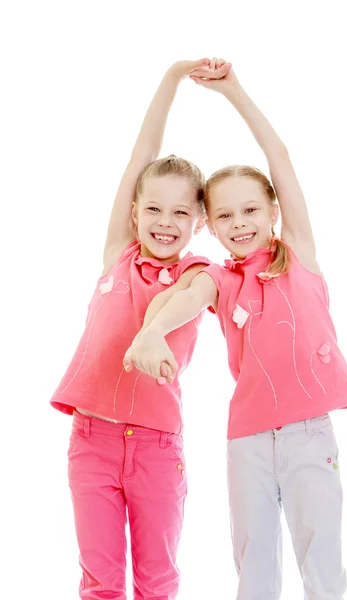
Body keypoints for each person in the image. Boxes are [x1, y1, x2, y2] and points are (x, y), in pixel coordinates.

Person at [124, 59, 347, 600]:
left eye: (251, 210)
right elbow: (184, 299)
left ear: (274, 210)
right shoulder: (216, 278)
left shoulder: (299, 255)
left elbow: (279, 159)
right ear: (208, 223)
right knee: (253, 561)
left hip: (309, 434)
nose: (241, 224)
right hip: (247, 439)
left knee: (320, 553)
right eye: (226, 216)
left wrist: (234, 92)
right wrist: (150, 332)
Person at [50, 58, 231, 600]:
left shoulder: (199, 273)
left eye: (181, 213)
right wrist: (173, 77)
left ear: (199, 223)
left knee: (157, 580)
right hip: (92, 439)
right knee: (100, 582)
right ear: (134, 211)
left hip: (157, 446)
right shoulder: (118, 256)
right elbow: (140, 158)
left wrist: (151, 332)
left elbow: (183, 303)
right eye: (153, 208)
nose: (165, 222)